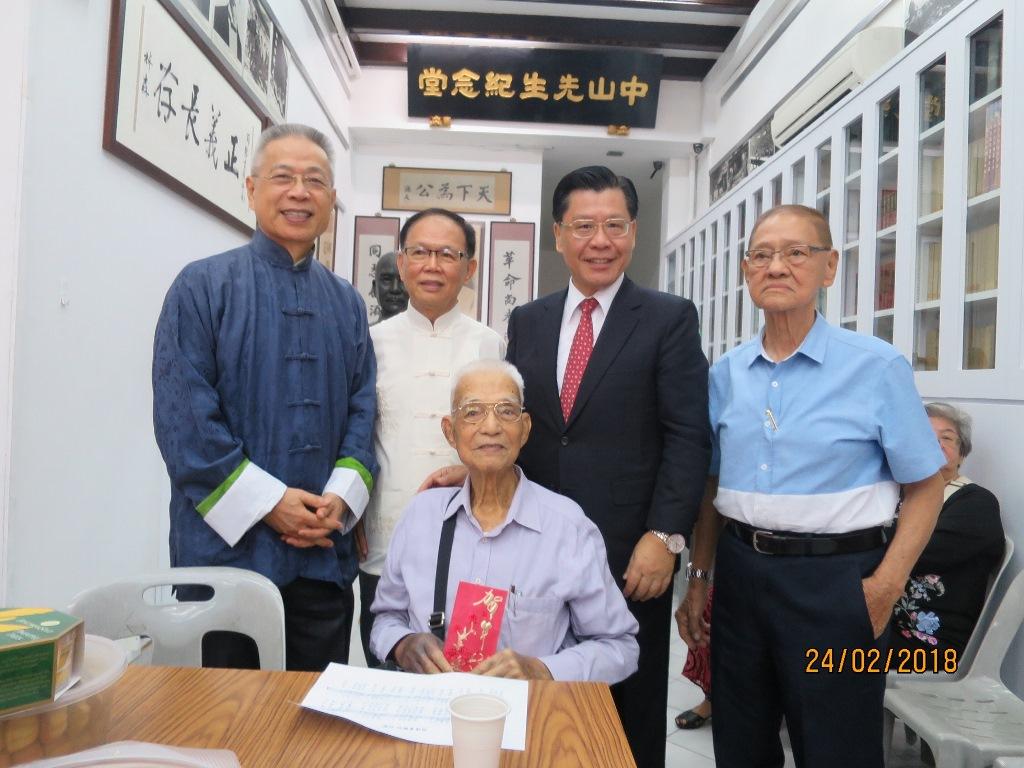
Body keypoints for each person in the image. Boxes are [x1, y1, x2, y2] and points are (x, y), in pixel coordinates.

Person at [423, 166, 710, 766]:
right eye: (583, 226)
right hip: (535, 545)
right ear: (559, 235)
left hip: (632, 553)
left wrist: (665, 536)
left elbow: (687, 436)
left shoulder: (668, 318)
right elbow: (522, 425)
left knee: (625, 707)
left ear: (633, 232)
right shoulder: (530, 319)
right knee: (527, 687)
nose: (598, 241)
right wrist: (471, 469)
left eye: (613, 225)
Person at [676, 204, 945, 768]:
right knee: (741, 739)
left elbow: (926, 487)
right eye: (762, 255)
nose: (777, 267)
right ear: (747, 271)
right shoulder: (725, 374)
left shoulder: (876, 367)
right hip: (742, 576)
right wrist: (700, 576)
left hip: (840, 586)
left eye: (796, 253)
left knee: (838, 744)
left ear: (829, 268)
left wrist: (884, 587)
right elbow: (711, 484)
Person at [153, 123, 377, 672]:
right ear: (252, 190)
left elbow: (363, 408)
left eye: (316, 181)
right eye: (283, 177)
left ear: (330, 203)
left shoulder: (347, 303)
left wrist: (339, 502)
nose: (300, 192)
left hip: (322, 556)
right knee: (223, 725)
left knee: (311, 726)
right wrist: (272, 505)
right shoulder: (201, 287)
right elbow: (186, 424)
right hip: (225, 558)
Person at [371, 360, 639, 683]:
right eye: (472, 412)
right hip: (431, 714)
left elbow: (620, 647)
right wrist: (402, 644)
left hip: (528, 717)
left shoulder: (568, 529)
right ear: (450, 432)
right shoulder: (421, 517)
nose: (491, 426)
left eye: (506, 411)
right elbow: (386, 619)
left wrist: (543, 670)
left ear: (525, 429)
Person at [356, 209, 504, 668]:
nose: (432, 265)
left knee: (467, 677)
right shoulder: (369, 343)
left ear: (470, 268)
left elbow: (511, 437)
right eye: (419, 252)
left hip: (476, 537)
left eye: (447, 254)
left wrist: (476, 467)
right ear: (401, 263)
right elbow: (354, 434)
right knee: (388, 666)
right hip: (385, 534)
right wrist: (352, 509)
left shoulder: (492, 344)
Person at [891, 402, 1004, 654]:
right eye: (926, 437)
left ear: (962, 454)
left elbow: (914, 552)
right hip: (882, 626)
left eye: (947, 438)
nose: (936, 444)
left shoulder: (977, 503)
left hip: (927, 644)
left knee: (818, 656)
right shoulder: (896, 493)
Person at [369, 251, 408, 323]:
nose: (395, 289)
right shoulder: (364, 334)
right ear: (374, 288)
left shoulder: (427, 333)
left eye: (403, 280)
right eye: (387, 279)